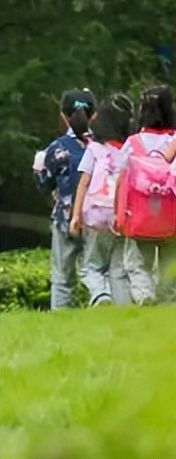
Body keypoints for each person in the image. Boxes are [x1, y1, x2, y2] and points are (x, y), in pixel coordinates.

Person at [119, 86, 176, 305]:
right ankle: (169, 297)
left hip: (140, 215)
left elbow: (121, 179)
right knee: (170, 260)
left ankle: (145, 293)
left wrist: (119, 215)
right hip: (171, 215)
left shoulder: (133, 142)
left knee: (137, 262)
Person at [70, 94, 136, 306]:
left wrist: (75, 215)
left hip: (97, 214)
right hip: (122, 216)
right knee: (118, 267)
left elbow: (83, 182)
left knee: (91, 266)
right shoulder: (130, 150)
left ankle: (100, 295)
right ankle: (122, 305)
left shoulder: (94, 149)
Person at [34, 89, 96, 309]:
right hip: (97, 219)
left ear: (64, 116)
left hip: (65, 217)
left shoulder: (57, 148)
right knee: (97, 272)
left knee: (62, 278)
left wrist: (37, 169)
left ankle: (61, 316)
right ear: (94, 116)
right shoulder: (102, 147)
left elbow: (44, 183)